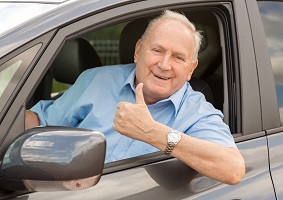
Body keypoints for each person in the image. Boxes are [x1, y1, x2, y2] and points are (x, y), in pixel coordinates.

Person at [26, 10, 245, 185]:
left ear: (191, 69)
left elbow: (233, 169)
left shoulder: (197, 112)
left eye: (178, 57)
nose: (164, 64)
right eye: (157, 50)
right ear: (138, 51)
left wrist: (154, 133)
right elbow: (40, 121)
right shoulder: (97, 80)